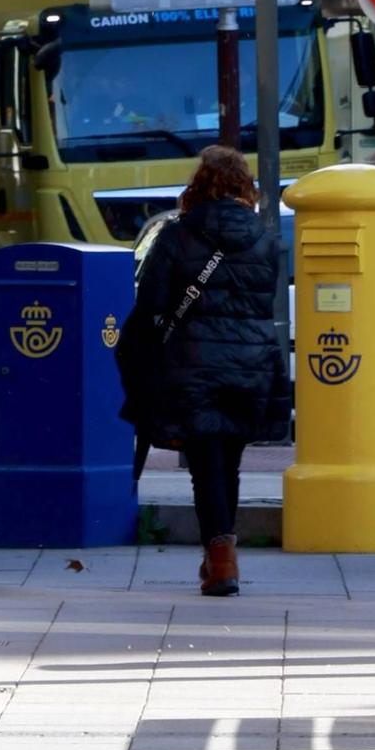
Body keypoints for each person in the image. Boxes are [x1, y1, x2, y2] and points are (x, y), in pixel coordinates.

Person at [115, 144, 289, 597]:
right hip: (250, 365)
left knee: (206, 464)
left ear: (199, 184)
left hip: (193, 365)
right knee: (228, 462)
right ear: (243, 187)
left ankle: (221, 558)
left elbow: (150, 303)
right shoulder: (265, 239)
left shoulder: (176, 236)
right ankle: (220, 554)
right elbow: (262, 301)